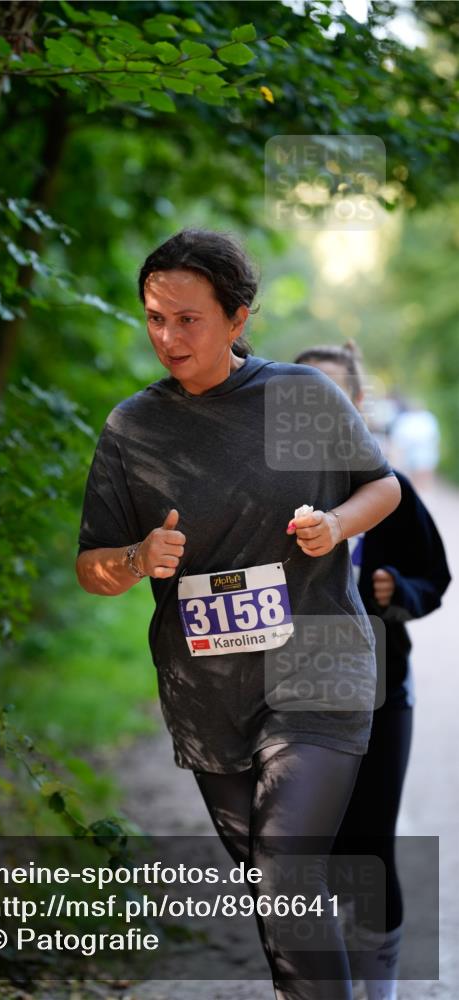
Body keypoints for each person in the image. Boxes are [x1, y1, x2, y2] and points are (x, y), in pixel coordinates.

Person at [75, 229, 401, 999]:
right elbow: (92, 568)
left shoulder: (299, 396)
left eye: (188, 319)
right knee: (270, 886)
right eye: (155, 318)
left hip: (316, 667)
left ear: (238, 318)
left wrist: (337, 524)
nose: (168, 337)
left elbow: (380, 486)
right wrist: (135, 559)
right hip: (205, 693)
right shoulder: (133, 429)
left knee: (286, 867)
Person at [293, 342, 451, 1000]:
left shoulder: (390, 489)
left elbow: (433, 576)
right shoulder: (274, 493)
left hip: (382, 691)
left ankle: (376, 987)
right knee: (305, 854)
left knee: (368, 844)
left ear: (357, 408)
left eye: (332, 400)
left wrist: (396, 591)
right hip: (292, 698)